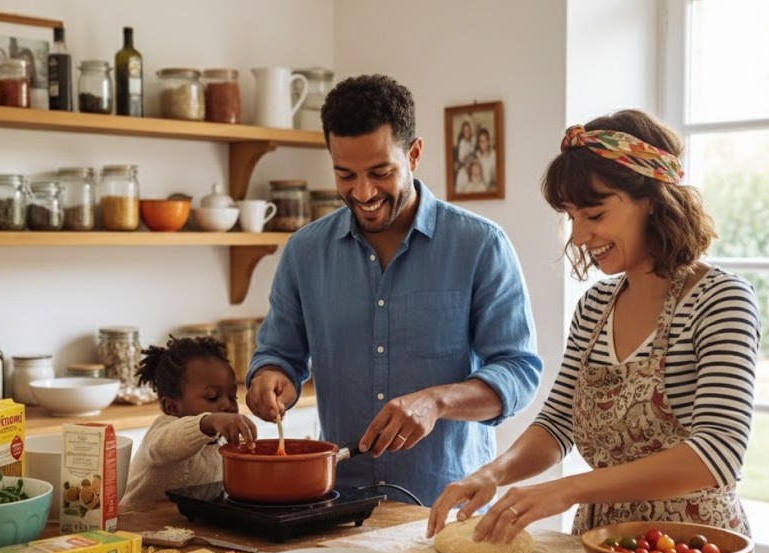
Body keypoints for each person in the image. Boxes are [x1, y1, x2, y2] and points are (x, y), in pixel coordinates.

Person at [427, 109, 760, 553]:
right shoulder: (595, 308)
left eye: (595, 214)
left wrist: (568, 490)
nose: (580, 236)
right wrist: (492, 473)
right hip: (601, 549)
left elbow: (717, 453)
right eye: (571, 217)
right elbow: (558, 424)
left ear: (652, 199)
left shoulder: (720, 300)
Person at [245, 74, 542, 507]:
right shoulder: (304, 252)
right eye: (345, 175)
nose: (363, 192)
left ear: (414, 154)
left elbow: (518, 372)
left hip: (447, 508)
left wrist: (437, 401)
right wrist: (270, 378)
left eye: (380, 173)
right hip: (337, 506)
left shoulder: (481, 245)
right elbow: (279, 354)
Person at [120, 336, 258, 511]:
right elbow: (164, 446)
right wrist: (209, 421)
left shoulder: (222, 444)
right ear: (171, 407)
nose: (227, 405)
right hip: (135, 521)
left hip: (182, 522)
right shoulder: (162, 430)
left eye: (232, 397)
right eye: (212, 397)